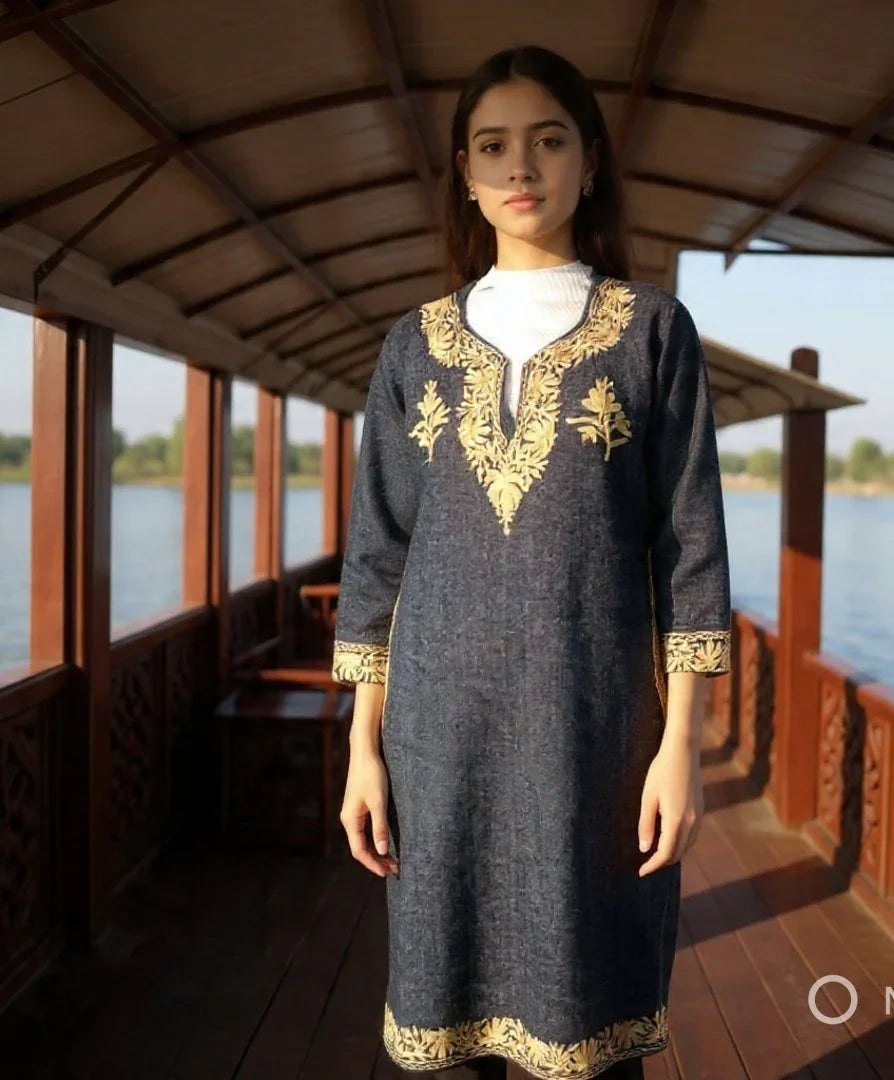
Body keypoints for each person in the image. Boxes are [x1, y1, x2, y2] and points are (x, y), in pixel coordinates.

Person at [334, 44, 731, 1080]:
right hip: (437, 742)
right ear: (464, 174)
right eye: (494, 146)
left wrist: (681, 746)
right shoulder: (412, 346)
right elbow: (378, 559)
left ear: (589, 163)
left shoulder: (651, 332)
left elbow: (691, 550)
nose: (522, 167)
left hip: (594, 739)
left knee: (589, 1037)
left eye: (548, 140)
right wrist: (362, 749)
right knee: (446, 1028)